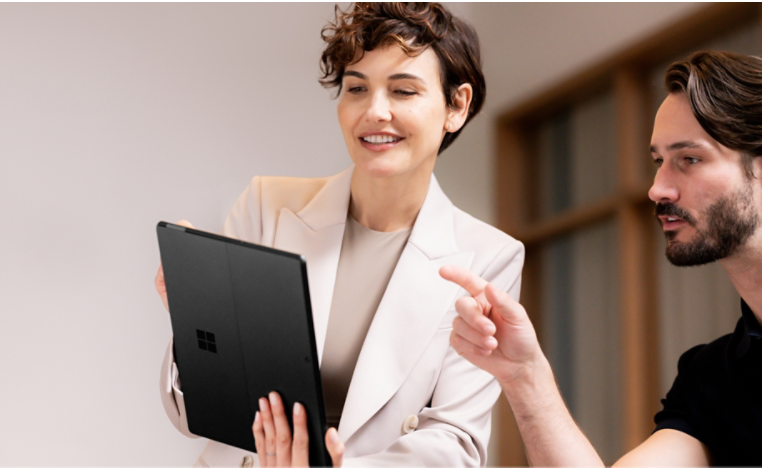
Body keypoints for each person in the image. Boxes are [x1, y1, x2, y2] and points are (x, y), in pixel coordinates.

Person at [155, 3, 525, 467]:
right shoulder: (266, 207)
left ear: (457, 106)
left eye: (403, 91)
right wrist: (196, 321)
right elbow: (194, 414)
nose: (375, 112)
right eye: (356, 88)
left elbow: (455, 442)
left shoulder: (489, 257)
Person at [440, 50, 762, 467]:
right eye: (658, 162)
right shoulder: (712, 379)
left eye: (690, 160)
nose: (657, 189)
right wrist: (524, 374)